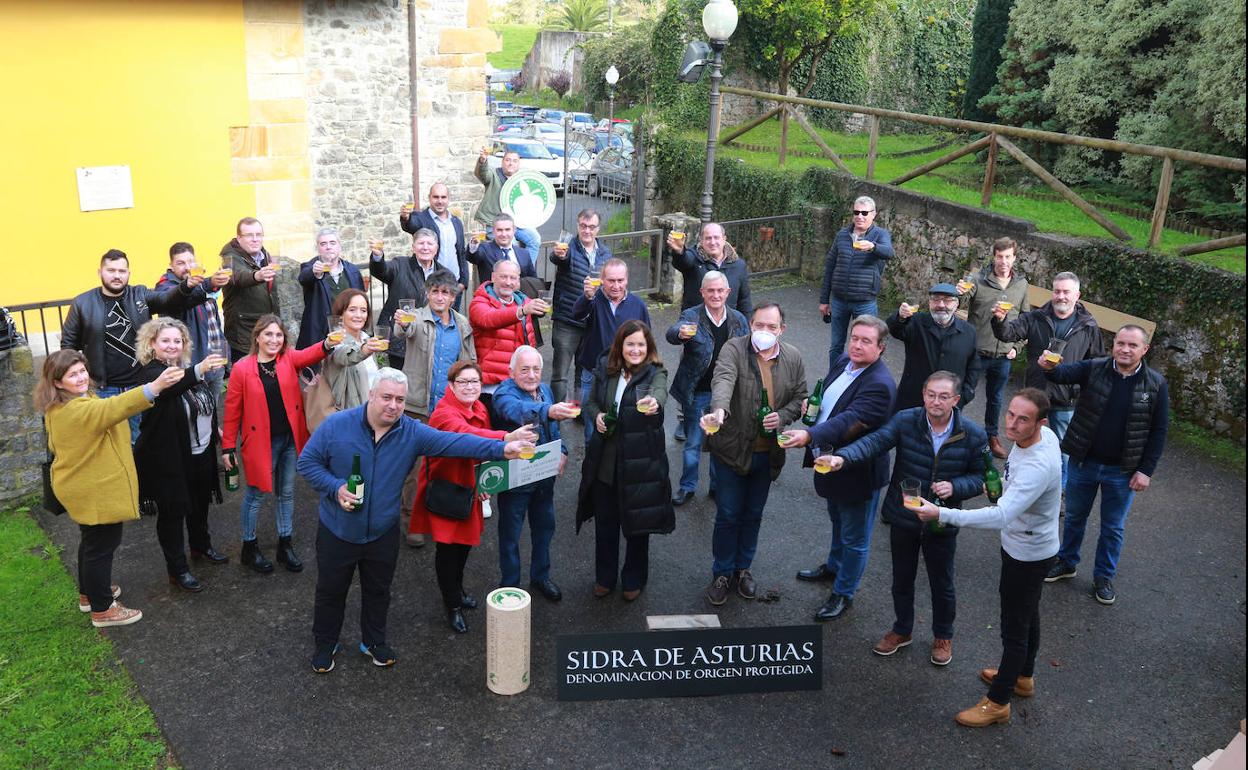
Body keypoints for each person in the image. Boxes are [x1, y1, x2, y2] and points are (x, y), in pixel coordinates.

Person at [298, 368, 530, 672]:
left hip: (382, 532)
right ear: (371, 394)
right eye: (386, 397)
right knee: (331, 591)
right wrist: (335, 487)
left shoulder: (411, 432)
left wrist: (503, 447)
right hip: (337, 530)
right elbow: (307, 463)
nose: (393, 405)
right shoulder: (336, 425)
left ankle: (374, 641)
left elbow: (456, 442)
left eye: (400, 399)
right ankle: (326, 644)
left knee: (378, 591)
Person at [912, 389, 1061, 728]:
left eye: (1023, 419)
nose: (1013, 424)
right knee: (1027, 614)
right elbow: (1011, 488)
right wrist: (995, 487)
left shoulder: (1038, 465)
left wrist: (942, 513)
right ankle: (1023, 677)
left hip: (1028, 554)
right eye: (1011, 414)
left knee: (1014, 627)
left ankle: (998, 702)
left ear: (1041, 423)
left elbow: (1001, 515)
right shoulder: (1040, 439)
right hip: (1027, 546)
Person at [818, 371, 987, 663]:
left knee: (942, 583)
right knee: (901, 579)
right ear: (923, 395)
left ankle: (943, 636)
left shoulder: (973, 434)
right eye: (931, 395)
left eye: (944, 396)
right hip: (904, 515)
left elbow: (982, 476)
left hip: (942, 519)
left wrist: (955, 487)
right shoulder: (906, 420)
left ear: (956, 400)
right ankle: (902, 629)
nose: (936, 401)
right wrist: (842, 458)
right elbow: (875, 442)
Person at [36, 349, 184, 627]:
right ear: (57, 382)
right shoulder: (77, 410)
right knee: (101, 548)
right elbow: (112, 408)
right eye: (72, 375)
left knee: (91, 543)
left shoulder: (64, 403)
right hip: (94, 490)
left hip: (81, 485)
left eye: (82, 371)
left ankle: (89, 594)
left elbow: (104, 408)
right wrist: (154, 387)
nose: (81, 377)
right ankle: (103, 609)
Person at [1039, 325, 1169, 605]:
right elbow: (1061, 374)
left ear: (1145, 350)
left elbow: (1159, 431)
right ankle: (1067, 562)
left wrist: (1145, 470)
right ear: (1114, 345)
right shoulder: (1094, 368)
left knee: (1113, 528)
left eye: (1132, 345)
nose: (1125, 349)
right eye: (1121, 343)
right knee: (1075, 517)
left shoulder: (1156, 384)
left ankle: (1103, 577)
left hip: (1123, 471)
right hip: (1084, 462)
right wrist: (1049, 367)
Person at [780, 315, 895, 621]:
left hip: (857, 471)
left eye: (866, 341)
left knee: (855, 537)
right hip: (830, 463)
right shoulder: (845, 361)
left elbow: (849, 421)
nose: (857, 345)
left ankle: (844, 592)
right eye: (854, 338)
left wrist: (809, 435)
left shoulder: (880, 385)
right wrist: (811, 406)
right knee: (837, 520)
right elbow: (830, 400)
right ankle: (834, 567)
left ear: (881, 347)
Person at [409, 361, 538, 633]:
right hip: (447, 490)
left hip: (470, 487)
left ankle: (457, 590)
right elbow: (469, 436)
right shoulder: (444, 414)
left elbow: (482, 453)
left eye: (474, 382)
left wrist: (485, 479)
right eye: (463, 382)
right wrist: (506, 437)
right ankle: (452, 605)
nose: (470, 387)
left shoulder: (479, 407)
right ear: (451, 386)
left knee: (464, 546)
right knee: (448, 550)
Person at [701, 303, 808, 606]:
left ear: (782, 330)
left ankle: (742, 568)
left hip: (767, 453)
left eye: (771, 327)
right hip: (731, 449)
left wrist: (782, 416)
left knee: (753, 514)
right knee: (728, 514)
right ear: (750, 324)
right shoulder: (734, 349)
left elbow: (800, 397)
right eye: (759, 325)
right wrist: (719, 411)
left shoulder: (793, 357)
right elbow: (723, 380)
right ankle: (722, 573)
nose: (764, 331)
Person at [222, 314, 335, 574]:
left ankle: (285, 543)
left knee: (286, 492)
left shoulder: (288, 359)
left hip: (289, 440)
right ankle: (249, 546)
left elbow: (311, 353)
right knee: (256, 494)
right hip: (260, 442)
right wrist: (228, 447)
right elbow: (232, 411)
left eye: (279, 335)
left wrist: (327, 343)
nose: (274, 340)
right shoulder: (242, 368)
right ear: (257, 337)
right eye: (269, 334)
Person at [61, 248, 207, 441]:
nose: (117, 276)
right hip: (103, 389)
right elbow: (68, 346)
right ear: (100, 272)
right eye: (111, 270)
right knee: (109, 442)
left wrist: (186, 286)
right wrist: (76, 384)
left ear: (128, 273)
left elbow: (167, 299)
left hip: (140, 385)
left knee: (142, 441)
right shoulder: (82, 303)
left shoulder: (139, 294)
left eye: (122, 271)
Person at [576, 320, 674, 601]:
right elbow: (591, 402)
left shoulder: (656, 372)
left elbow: (659, 393)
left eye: (641, 344)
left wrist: (655, 403)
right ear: (620, 345)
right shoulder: (606, 367)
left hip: (640, 463)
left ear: (648, 347)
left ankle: (634, 578)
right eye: (630, 344)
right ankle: (604, 578)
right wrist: (597, 416)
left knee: (637, 526)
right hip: (606, 461)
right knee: (605, 524)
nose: (635, 350)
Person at [133, 319, 231, 592]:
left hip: (200, 450)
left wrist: (215, 428)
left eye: (177, 341)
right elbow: (170, 388)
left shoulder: (183, 369)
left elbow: (200, 402)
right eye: (165, 340)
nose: (172, 345)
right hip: (170, 458)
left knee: (199, 504)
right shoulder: (151, 373)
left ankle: (201, 546)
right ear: (152, 344)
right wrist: (199, 369)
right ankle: (177, 569)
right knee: (173, 513)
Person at [991, 271, 1103, 485]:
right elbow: (1007, 334)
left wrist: (1085, 394)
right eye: (1057, 291)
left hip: (1066, 398)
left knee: (1064, 450)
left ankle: (1059, 491)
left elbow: (1096, 363)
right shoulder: (1036, 317)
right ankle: (1017, 485)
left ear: (1077, 295)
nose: (1061, 296)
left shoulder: (1088, 326)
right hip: (1036, 394)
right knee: (1025, 442)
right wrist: (1000, 319)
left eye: (1066, 292)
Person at [395, 270, 476, 548]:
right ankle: (411, 522)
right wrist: (402, 321)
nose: (440, 297)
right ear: (427, 294)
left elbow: (469, 362)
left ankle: (439, 514)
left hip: (448, 409)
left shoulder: (462, 324)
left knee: (445, 465)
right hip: (418, 406)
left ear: (453, 297)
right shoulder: (417, 317)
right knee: (415, 468)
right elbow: (405, 329)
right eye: (435, 291)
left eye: (446, 292)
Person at [492, 346, 576, 600]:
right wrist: (548, 411)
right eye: (524, 369)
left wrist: (562, 451)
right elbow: (516, 409)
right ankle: (510, 587)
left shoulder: (546, 390)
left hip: (544, 476)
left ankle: (541, 576)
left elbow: (554, 429)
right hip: (516, 479)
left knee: (544, 529)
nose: (531, 375)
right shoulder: (503, 393)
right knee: (510, 536)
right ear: (511, 372)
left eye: (536, 369)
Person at [666, 271, 749, 506]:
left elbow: (748, 352)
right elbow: (672, 334)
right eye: (710, 290)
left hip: (726, 393)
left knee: (719, 443)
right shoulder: (691, 315)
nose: (715, 295)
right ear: (702, 292)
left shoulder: (738, 320)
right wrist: (679, 333)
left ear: (728, 292)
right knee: (693, 442)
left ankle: (716, 487)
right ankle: (687, 487)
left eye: (720, 290)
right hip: (697, 390)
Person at [956, 237, 1030, 459]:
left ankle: (992, 437)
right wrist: (959, 292)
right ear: (994, 257)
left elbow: (1025, 318)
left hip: (1004, 353)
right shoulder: (978, 279)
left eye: (1008, 257)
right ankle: (952, 430)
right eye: (1000, 256)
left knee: (996, 399)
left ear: (1014, 258)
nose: (1003, 261)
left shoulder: (1021, 285)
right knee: (965, 393)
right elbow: (960, 301)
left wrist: (1017, 346)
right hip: (977, 350)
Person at [571, 258, 651, 442]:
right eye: (611, 281)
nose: (616, 286)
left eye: (620, 280)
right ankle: (592, 458)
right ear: (602, 280)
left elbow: (646, 339)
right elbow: (577, 314)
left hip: (626, 374)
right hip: (593, 372)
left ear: (627, 279)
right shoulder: (593, 300)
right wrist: (587, 297)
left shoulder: (638, 305)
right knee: (592, 426)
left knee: (622, 423)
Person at [548, 208, 613, 402]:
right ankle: (557, 413)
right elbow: (559, 258)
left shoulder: (605, 253)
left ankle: (579, 411)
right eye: (583, 226)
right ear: (578, 226)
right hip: (567, 321)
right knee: (560, 375)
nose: (587, 231)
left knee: (584, 373)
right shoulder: (569, 247)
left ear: (598, 229)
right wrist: (559, 255)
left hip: (592, 323)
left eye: (591, 227)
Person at [819, 196, 895, 362]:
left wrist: (873, 246)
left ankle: (861, 377)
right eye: (856, 212)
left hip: (864, 302)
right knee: (836, 346)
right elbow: (830, 267)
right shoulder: (842, 235)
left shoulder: (880, 235)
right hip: (839, 300)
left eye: (864, 213)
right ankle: (835, 376)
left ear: (873, 214)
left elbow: (889, 252)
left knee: (866, 346)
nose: (860, 216)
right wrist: (824, 300)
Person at [886, 283, 979, 412]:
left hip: (949, 404)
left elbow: (973, 367)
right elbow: (894, 329)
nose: (941, 305)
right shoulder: (916, 322)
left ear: (956, 304)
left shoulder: (969, 331)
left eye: (947, 300)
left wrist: (965, 395)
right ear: (929, 302)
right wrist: (900, 317)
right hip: (912, 400)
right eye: (936, 299)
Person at [469, 260, 545, 399]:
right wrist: (521, 311)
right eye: (503, 277)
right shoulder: (479, 301)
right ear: (493, 277)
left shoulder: (523, 300)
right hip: (491, 383)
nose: (508, 282)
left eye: (513, 278)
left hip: (519, 381)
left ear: (518, 281)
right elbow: (488, 319)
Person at [370, 228, 442, 372]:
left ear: (436, 248)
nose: (425, 247)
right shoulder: (400, 264)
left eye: (429, 244)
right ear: (413, 247)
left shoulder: (442, 273)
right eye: (421, 243)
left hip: (427, 337)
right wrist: (378, 257)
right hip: (399, 338)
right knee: (398, 379)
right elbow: (382, 271)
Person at [156, 242, 231, 377]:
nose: (187, 267)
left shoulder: (201, 284)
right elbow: (184, 299)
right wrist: (210, 283)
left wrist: (224, 358)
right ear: (171, 265)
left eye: (190, 261)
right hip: (189, 369)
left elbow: (214, 326)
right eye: (181, 263)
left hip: (215, 365)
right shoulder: (165, 287)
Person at [221, 217, 281, 362]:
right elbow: (237, 276)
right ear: (239, 238)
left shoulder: (264, 255)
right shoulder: (229, 258)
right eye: (249, 235)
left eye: (258, 235)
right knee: (247, 373)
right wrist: (257, 275)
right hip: (244, 333)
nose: (255, 239)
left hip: (265, 329)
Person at [399, 183, 469, 304]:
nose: (440, 201)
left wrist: (463, 282)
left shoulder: (456, 222)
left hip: (454, 286)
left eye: (443, 197)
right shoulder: (421, 218)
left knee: (452, 316)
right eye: (436, 197)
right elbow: (411, 224)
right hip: (432, 288)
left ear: (448, 198)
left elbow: (461, 252)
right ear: (429, 198)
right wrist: (406, 218)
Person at [296, 228, 365, 350]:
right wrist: (315, 272)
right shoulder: (310, 267)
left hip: (349, 332)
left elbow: (362, 301)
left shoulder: (352, 270)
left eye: (332, 243)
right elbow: (304, 278)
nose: (328, 247)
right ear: (318, 248)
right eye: (323, 244)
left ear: (339, 246)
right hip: (320, 335)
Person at [320, 289, 386, 413]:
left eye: (363, 310)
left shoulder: (366, 338)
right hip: (352, 414)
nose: (359, 315)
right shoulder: (335, 341)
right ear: (341, 314)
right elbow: (344, 356)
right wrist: (364, 349)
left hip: (373, 410)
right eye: (352, 310)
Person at [666, 222, 752, 314]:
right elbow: (683, 262)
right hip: (695, 320)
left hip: (728, 320)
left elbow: (744, 300)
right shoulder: (694, 258)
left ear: (724, 239)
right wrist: (679, 252)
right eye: (708, 238)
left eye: (716, 237)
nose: (712, 242)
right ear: (701, 240)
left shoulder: (738, 265)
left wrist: (746, 322)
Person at [474, 147, 540, 252]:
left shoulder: (521, 179)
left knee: (535, 239)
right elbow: (483, 174)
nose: (511, 163)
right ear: (502, 162)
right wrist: (483, 161)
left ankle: (525, 263)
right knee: (512, 245)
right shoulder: (493, 175)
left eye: (515, 161)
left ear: (518, 164)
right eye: (508, 160)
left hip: (516, 223)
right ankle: (512, 263)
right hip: (495, 223)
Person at [467, 214, 538, 279]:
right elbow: (473, 256)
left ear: (514, 231)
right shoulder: (485, 249)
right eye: (499, 230)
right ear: (493, 231)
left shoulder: (524, 253)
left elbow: (533, 280)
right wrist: (473, 245)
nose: (504, 234)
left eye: (507, 230)